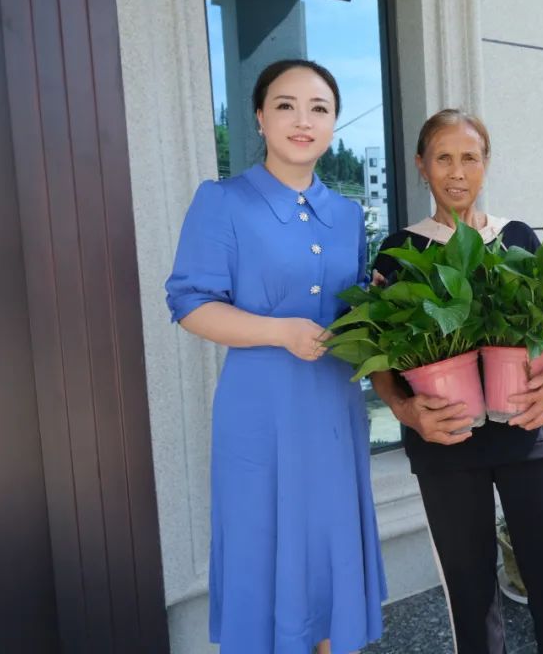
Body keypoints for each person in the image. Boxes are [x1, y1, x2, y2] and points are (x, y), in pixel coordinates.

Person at [165, 59, 386, 654]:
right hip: (259, 413)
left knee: (327, 547)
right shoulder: (223, 202)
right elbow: (189, 304)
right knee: (262, 544)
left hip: (334, 410)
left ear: (334, 123)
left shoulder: (345, 215)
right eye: (285, 105)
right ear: (259, 117)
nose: (302, 120)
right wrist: (278, 331)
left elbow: (356, 307)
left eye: (319, 108)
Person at [370, 109, 543, 654]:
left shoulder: (517, 238)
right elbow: (377, 354)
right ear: (422, 166)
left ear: (486, 165)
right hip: (446, 441)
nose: (457, 171)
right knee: (471, 597)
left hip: (528, 428)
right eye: (443, 157)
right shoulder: (399, 251)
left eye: (470, 157)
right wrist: (404, 409)